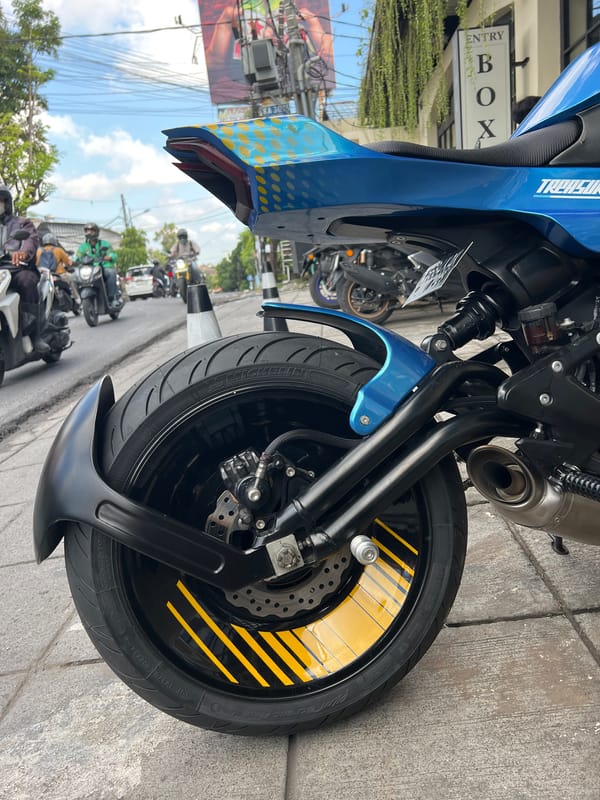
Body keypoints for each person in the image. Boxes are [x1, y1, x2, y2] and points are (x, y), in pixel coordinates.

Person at [0, 184, 49, 354]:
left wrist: (22, 252)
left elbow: (30, 241)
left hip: (18, 269)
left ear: (7, 202)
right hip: (1, 273)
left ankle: (35, 335)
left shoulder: (22, 223)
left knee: (26, 281)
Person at [75, 223, 119, 308]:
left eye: (91, 230)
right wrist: (74, 261)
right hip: (90, 269)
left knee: (111, 273)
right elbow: (77, 256)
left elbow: (113, 254)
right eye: (87, 230)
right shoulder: (82, 247)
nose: (89, 232)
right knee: (75, 276)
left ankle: (113, 297)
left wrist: (109, 257)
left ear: (96, 232)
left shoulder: (104, 244)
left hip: (104, 266)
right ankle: (79, 300)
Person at [36, 233, 81, 307]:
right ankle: (77, 299)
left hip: (45, 276)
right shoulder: (58, 250)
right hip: (60, 274)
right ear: (54, 241)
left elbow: (37, 264)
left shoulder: (38, 251)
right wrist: (73, 264)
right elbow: (68, 262)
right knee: (73, 279)